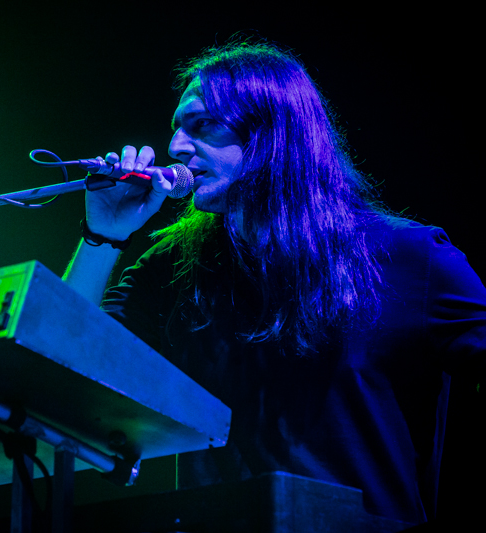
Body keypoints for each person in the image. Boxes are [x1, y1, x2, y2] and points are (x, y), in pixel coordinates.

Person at [63, 39, 486, 526]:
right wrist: (103, 235)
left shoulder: (408, 256)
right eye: (177, 126)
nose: (176, 146)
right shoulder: (173, 266)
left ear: (272, 133)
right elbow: (64, 366)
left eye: (203, 124)